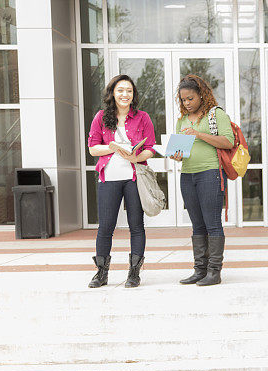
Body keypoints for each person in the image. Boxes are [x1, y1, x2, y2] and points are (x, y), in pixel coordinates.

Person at [87, 74, 156, 288]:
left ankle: (134, 272)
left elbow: (151, 148)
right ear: (113, 93)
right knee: (105, 227)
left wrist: (135, 157)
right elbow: (92, 148)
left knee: (136, 225)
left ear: (133, 94)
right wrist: (114, 147)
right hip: (109, 178)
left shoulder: (142, 117)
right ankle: (101, 273)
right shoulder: (100, 117)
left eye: (129, 91)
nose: (125, 94)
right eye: (120, 90)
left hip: (134, 178)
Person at [170, 74, 234, 286]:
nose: (187, 103)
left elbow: (227, 142)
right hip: (188, 175)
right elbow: (183, 147)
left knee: (212, 223)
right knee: (197, 224)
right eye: (183, 100)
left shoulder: (216, 115)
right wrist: (176, 154)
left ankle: (214, 272)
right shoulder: (181, 120)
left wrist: (198, 134)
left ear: (201, 95)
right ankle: (200, 270)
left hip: (210, 173)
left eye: (190, 98)